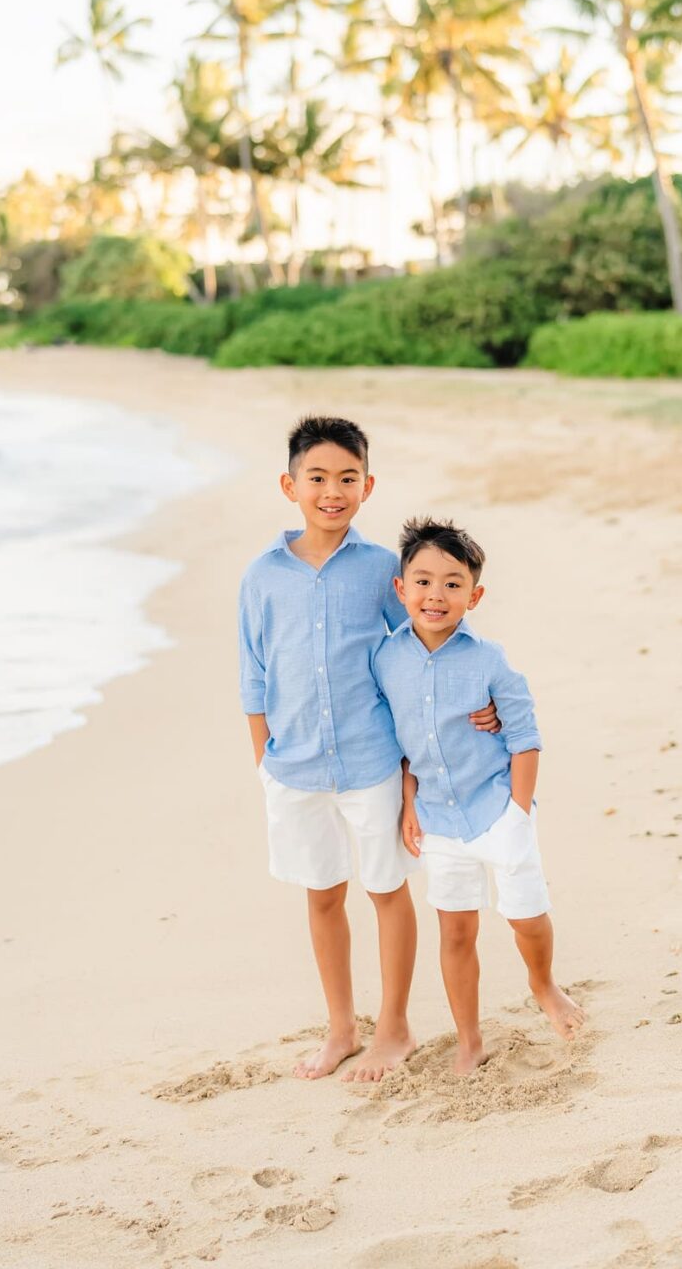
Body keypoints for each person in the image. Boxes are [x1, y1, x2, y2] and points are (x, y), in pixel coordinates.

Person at [237, 418, 500, 1082]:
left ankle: (394, 1027)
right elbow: (253, 671)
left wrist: (467, 721)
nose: (332, 491)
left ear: (367, 486)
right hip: (293, 767)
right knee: (322, 894)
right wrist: (264, 758)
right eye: (317, 478)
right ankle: (339, 1028)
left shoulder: (386, 569)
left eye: (347, 479)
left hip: (373, 762)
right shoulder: (261, 576)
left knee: (386, 890)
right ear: (289, 485)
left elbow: (422, 654)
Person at [373, 516, 581, 1075]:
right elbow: (401, 744)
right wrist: (409, 804)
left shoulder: (488, 659)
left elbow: (525, 737)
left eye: (451, 583)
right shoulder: (386, 659)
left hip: (496, 809)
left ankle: (544, 984)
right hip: (438, 820)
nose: (435, 594)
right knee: (455, 929)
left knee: (525, 914)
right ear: (401, 589)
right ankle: (470, 1039)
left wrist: (519, 812)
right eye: (421, 581)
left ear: (474, 594)